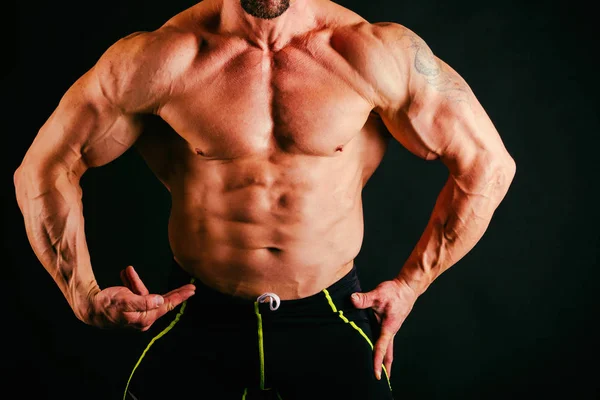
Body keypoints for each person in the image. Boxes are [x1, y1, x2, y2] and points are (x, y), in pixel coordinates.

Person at [13, 0, 516, 399]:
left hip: (332, 315)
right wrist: (81, 295)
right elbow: (43, 168)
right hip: (195, 316)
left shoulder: (373, 53)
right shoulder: (160, 58)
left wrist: (410, 286)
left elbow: (488, 166)